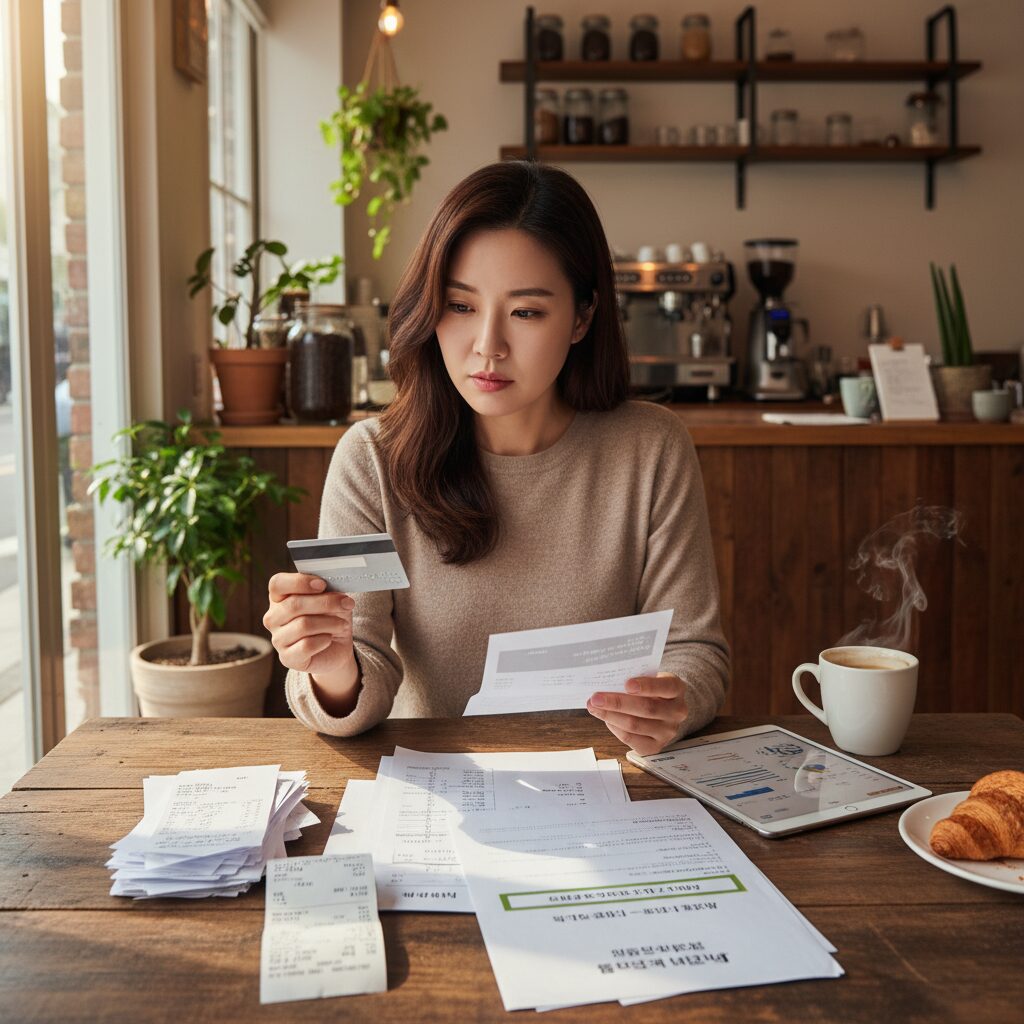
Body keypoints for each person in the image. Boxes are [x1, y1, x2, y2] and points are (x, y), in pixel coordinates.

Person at [264, 161, 729, 755]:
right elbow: (363, 670)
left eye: (527, 312)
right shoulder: (373, 459)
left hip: (606, 791)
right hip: (441, 797)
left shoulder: (651, 448)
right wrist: (331, 667)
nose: (488, 345)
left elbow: (696, 650)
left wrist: (674, 698)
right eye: (460, 307)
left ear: (583, 317)